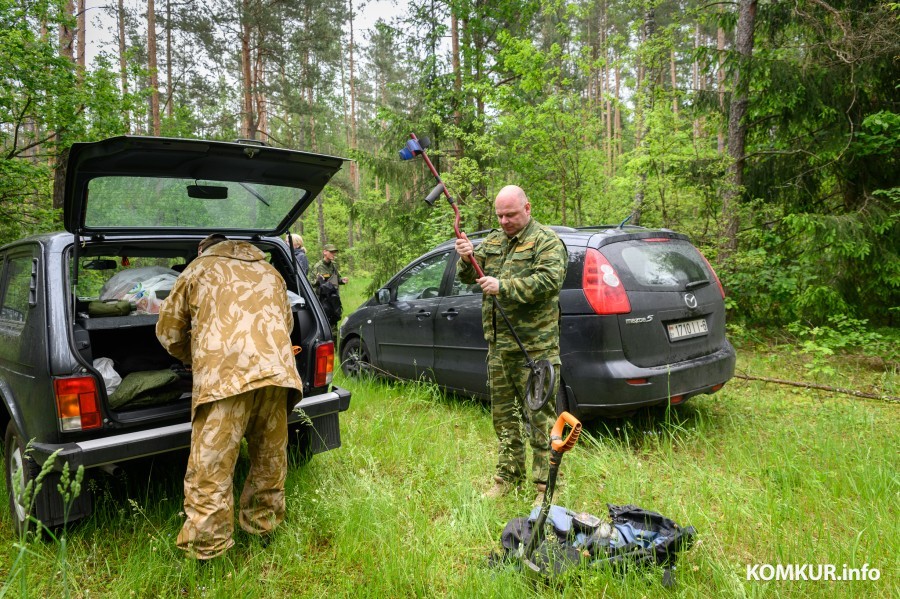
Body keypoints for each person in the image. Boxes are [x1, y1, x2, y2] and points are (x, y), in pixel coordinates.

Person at [156, 233, 303, 560]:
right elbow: (287, 323)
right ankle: (264, 530)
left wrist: (195, 358)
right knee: (269, 460)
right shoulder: (271, 273)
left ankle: (206, 552)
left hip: (224, 381)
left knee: (211, 469)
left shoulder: (196, 270)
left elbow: (168, 332)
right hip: (276, 377)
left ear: (202, 249)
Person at [455, 185, 567, 504]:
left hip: (535, 349)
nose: (504, 221)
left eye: (511, 214)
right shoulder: (493, 241)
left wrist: (503, 286)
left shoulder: (546, 241)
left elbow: (549, 281)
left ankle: (547, 488)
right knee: (503, 417)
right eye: (500, 215)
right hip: (499, 348)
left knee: (539, 418)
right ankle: (508, 478)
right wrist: (466, 257)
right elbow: (468, 275)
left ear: (527, 208)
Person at [311, 243, 348, 337]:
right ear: (325, 252)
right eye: (331, 252)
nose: (333, 254)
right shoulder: (318, 266)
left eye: (334, 252)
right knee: (324, 321)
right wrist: (318, 280)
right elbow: (311, 282)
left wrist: (342, 280)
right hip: (322, 299)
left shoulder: (333, 266)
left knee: (334, 319)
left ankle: (335, 346)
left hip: (333, 298)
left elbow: (336, 279)